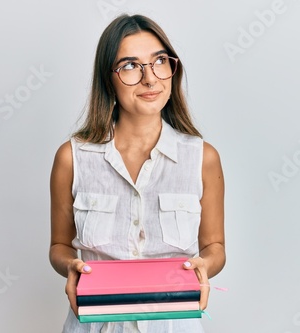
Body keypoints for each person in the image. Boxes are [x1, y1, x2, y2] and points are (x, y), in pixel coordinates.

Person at [49, 13, 225, 333]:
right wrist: (70, 266)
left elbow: (215, 246)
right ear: (108, 79)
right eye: (130, 66)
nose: (150, 79)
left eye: (159, 61)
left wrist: (204, 266)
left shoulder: (202, 158)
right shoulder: (71, 158)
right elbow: (59, 246)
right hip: (96, 324)